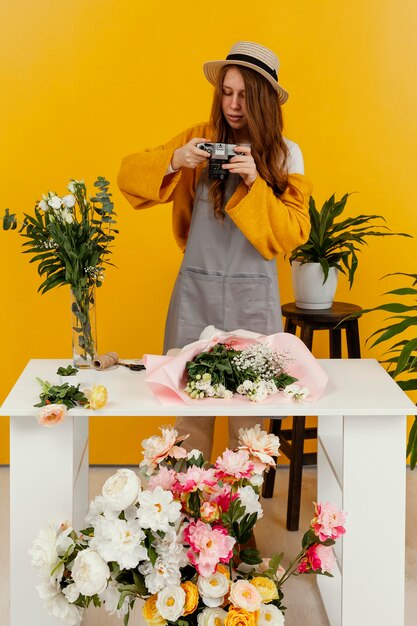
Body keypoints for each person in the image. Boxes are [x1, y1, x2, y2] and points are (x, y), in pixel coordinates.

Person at [118, 41, 312, 460]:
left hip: (253, 300)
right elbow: (128, 174)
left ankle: (241, 521)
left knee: (250, 421)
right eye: (227, 92)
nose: (233, 104)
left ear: (263, 99)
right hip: (197, 296)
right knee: (188, 415)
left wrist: (255, 183)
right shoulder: (198, 139)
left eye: (244, 94)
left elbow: (295, 232)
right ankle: (192, 517)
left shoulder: (285, 153)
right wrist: (175, 160)